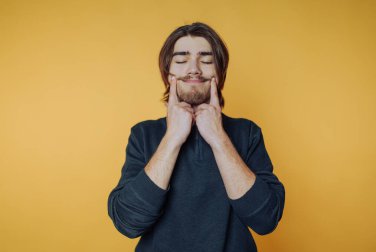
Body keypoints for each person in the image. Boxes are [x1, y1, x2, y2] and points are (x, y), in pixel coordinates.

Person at [108, 22, 285, 252]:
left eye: (207, 60)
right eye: (181, 60)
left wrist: (218, 138)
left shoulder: (247, 132)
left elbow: (266, 219)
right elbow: (128, 221)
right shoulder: (143, 135)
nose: (194, 69)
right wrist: (172, 138)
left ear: (219, 73)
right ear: (167, 74)